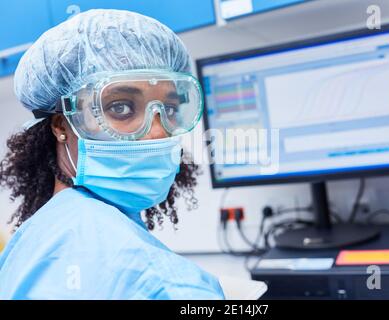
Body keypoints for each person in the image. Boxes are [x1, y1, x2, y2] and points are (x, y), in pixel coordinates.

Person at [0, 9, 224, 300]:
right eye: (121, 107)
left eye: (168, 109)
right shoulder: (165, 284)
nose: (157, 131)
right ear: (61, 126)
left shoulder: (27, 245)